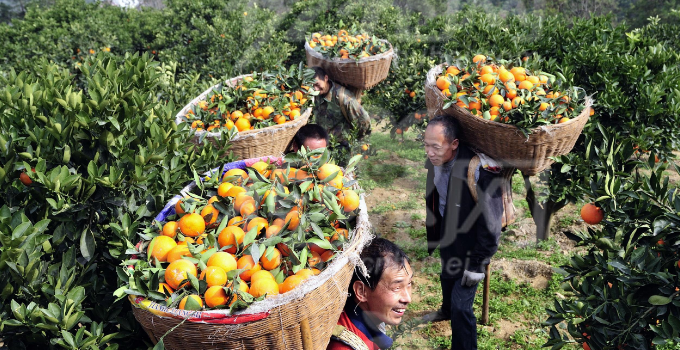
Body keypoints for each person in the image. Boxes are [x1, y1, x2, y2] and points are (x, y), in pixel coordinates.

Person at [421, 115, 503, 350]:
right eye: (426, 145)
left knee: (462, 306)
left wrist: (478, 265)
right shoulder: (436, 161)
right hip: (449, 231)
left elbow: (492, 226)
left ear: (454, 144)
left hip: (474, 242)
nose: (429, 152)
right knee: (447, 275)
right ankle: (446, 310)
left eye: (435, 147)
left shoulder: (479, 170)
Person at [327, 238, 413, 350]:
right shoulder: (344, 347)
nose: (408, 298)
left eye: (409, 283)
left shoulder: (371, 314)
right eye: (396, 287)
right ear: (361, 292)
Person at [311, 66, 371, 156]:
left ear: (326, 78)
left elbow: (364, 120)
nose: (315, 89)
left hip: (342, 147)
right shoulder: (316, 95)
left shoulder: (344, 98)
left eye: (317, 84)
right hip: (323, 146)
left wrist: (358, 139)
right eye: (312, 86)